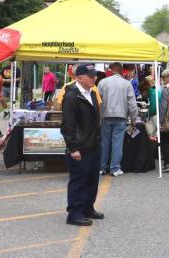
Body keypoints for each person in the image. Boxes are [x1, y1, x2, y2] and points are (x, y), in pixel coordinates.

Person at [60, 64, 103, 227]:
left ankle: (87, 208)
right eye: (91, 76)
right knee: (78, 181)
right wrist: (73, 148)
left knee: (92, 180)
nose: (94, 78)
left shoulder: (91, 94)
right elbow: (68, 125)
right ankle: (74, 214)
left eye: (95, 75)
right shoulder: (71, 96)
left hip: (93, 145)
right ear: (79, 78)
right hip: (80, 147)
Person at [97, 63, 139, 177]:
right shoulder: (126, 84)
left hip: (105, 116)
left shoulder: (102, 82)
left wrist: (97, 116)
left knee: (104, 142)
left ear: (111, 70)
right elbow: (132, 104)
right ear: (121, 71)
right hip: (121, 117)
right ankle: (115, 168)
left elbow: (97, 100)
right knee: (117, 143)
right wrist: (134, 118)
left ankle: (102, 167)